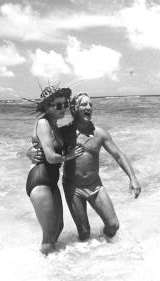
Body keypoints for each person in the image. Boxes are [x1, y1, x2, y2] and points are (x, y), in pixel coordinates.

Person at [28, 93, 141, 243]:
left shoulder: (100, 133)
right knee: (84, 232)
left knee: (113, 225)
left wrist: (132, 178)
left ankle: (107, 246)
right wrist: (29, 152)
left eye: (91, 105)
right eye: (84, 104)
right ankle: (86, 259)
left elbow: (118, 155)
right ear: (74, 109)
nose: (89, 107)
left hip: (96, 186)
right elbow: (43, 143)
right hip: (73, 188)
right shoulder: (64, 133)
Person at [25, 85, 83, 254]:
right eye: (58, 105)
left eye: (65, 104)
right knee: (49, 235)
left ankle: (53, 264)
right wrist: (68, 156)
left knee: (58, 227)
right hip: (40, 181)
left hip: (51, 182)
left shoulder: (54, 125)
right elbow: (50, 157)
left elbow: (36, 145)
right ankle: (44, 271)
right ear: (46, 107)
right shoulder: (43, 122)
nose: (63, 108)